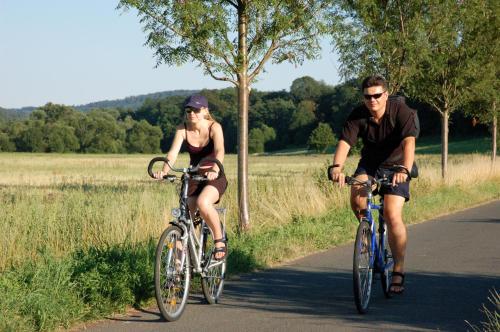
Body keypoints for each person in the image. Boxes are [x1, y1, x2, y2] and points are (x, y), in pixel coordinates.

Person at [329, 75, 418, 294]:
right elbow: (345, 142)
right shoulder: (358, 115)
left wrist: (405, 169)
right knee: (358, 198)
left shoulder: (401, 111)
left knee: (391, 213)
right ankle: (366, 234)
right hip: (370, 164)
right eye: (368, 97)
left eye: (377, 95)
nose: (373, 100)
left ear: (385, 94)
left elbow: (409, 141)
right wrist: (336, 167)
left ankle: (398, 270)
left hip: (397, 165)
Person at [154, 94, 228, 260]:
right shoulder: (182, 129)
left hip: (213, 175)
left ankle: (219, 241)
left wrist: (215, 168)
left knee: (203, 202)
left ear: (204, 111)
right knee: (184, 219)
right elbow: (172, 153)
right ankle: (177, 270)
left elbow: (220, 151)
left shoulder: (214, 127)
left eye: (195, 109)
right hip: (193, 177)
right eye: (188, 110)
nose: (191, 113)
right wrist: (165, 170)